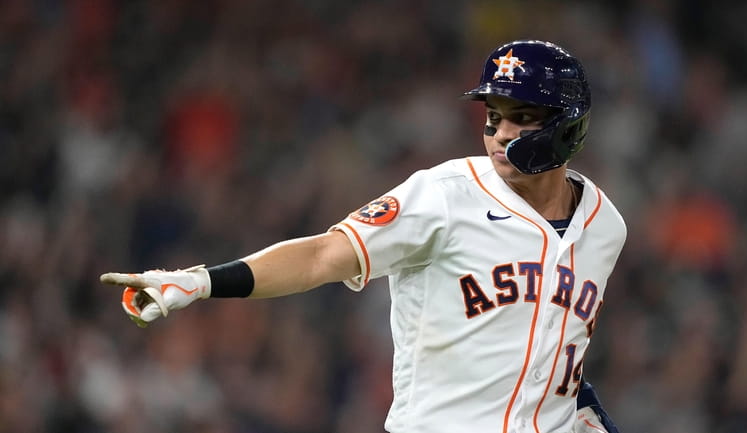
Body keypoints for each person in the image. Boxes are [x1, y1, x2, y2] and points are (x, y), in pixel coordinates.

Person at [101, 40, 625, 433]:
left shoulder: (605, 225)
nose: (501, 133)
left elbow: (555, 350)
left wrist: (582, 410)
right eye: (493, 117)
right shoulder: (443, 194)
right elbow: (323, 255)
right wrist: (200, 282)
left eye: (522, 118)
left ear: (568, 125)